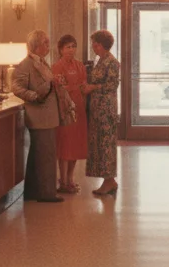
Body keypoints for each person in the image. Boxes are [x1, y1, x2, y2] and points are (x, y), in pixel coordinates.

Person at [12, 29, 72, 203]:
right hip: (39, 116)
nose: (48, 46)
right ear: (37, 45)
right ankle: (46, 193)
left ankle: (33, 191)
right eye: (46, 42)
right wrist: (34, 96)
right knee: (45, 155)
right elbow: (17, 87)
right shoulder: (26, 65)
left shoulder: (42, 63)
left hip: (46, 116)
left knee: (39, 155)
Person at [52, 34, 89, 194]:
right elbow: (59, 89)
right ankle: (63, 181)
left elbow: (83, 85)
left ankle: (71, 178)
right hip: (65, 109)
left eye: (73, 46)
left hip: (79, 108)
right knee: (65, 145)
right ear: (61, 49)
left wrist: (77, 87)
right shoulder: (57, 67)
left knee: (75, 145)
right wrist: (75, 87)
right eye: (68, 47)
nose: (71, 50)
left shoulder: (80, 65)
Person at [85, 30, 121, 197]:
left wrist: (93, 87)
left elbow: (112, 85)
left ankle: (109, 181)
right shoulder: (100, 61)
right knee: (100, 144)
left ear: (103, 45)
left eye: (96, 44)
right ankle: (108, 180)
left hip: (106, 110)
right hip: (97, 109)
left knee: (106, 145)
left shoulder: (112, 62)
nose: (93, 46)